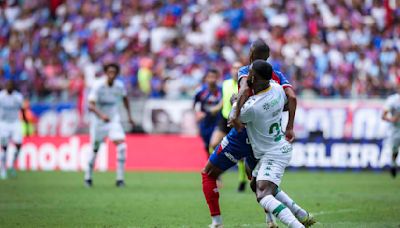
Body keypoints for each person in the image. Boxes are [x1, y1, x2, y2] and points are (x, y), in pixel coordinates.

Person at [201, 40, 314, 228]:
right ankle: (284, 217)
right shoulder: (276, 78)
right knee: (257, 181)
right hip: (267, 139)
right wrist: (289, 126)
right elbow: (292, 98)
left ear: (251, 55)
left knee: (208, 173)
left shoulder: (246, 72)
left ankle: (216, 223)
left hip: (243, 133)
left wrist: (236, 111)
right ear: (268, 56)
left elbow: (244, 91)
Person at [239, 60, 305, 228]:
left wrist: (236, 100)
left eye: (251, 73)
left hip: (272, 153)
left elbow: (237, 120)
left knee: (262, 194)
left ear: (256, 78)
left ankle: (297, 226)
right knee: (256, 184)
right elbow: (289, 99)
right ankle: (300, 213)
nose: (248, 76)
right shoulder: (276, 88)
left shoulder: (252, 108)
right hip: (276, 146)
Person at [85, 63, 135, 187]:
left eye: (114, 72)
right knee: (95, 150)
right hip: (98, 122)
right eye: (109, 71)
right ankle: (88, 177)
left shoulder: (119, 86)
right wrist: (101, 115)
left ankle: (120, 180)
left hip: (113, 120)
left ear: (117, 74)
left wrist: (129, 116)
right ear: (106, 73)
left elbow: (125, 99)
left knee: (122, 146)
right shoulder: (98, 85)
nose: (111, 74)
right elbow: (90, 105)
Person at [208, 61, 247, 192]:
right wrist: (216, 107)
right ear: (230, 70)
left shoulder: (245, 85)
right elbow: (224, 99)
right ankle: (216, 175)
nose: (235, 70)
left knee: (240, 154)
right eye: (234, 68)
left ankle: (242, 179)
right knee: (213, 143)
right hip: (224, 119)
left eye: (238, 68)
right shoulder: (225, 84)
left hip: (237, 120)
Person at [0, 80, 28, 179]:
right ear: (5, 87)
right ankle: (3, 169)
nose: (9, 87)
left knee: (19, 145)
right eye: (8, 86)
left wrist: (26, 123)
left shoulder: (18, 97)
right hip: (3, 124)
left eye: (11, 86)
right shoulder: (1, 96)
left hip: (15, 123)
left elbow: (23, 110)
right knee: (4, 147)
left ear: (14, 87)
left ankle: (12, 163)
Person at [193, 69, 222, 156]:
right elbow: (194, 104)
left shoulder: (222, 90)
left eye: (214, 77)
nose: (212, 79)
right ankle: (209, 163)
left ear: (217, 78)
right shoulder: (200, 91)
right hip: (205, 122)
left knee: (215, 143)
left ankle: (216, 163)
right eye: (210, 77)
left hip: (218, 121)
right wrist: (197, 114)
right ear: (206, 78)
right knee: (206, 145)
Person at [382, 79, 400, 178]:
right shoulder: (393, 100)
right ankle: (393, 164)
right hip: (395, 130)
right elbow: (383, 116)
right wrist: (392, 119)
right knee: (394, 150)